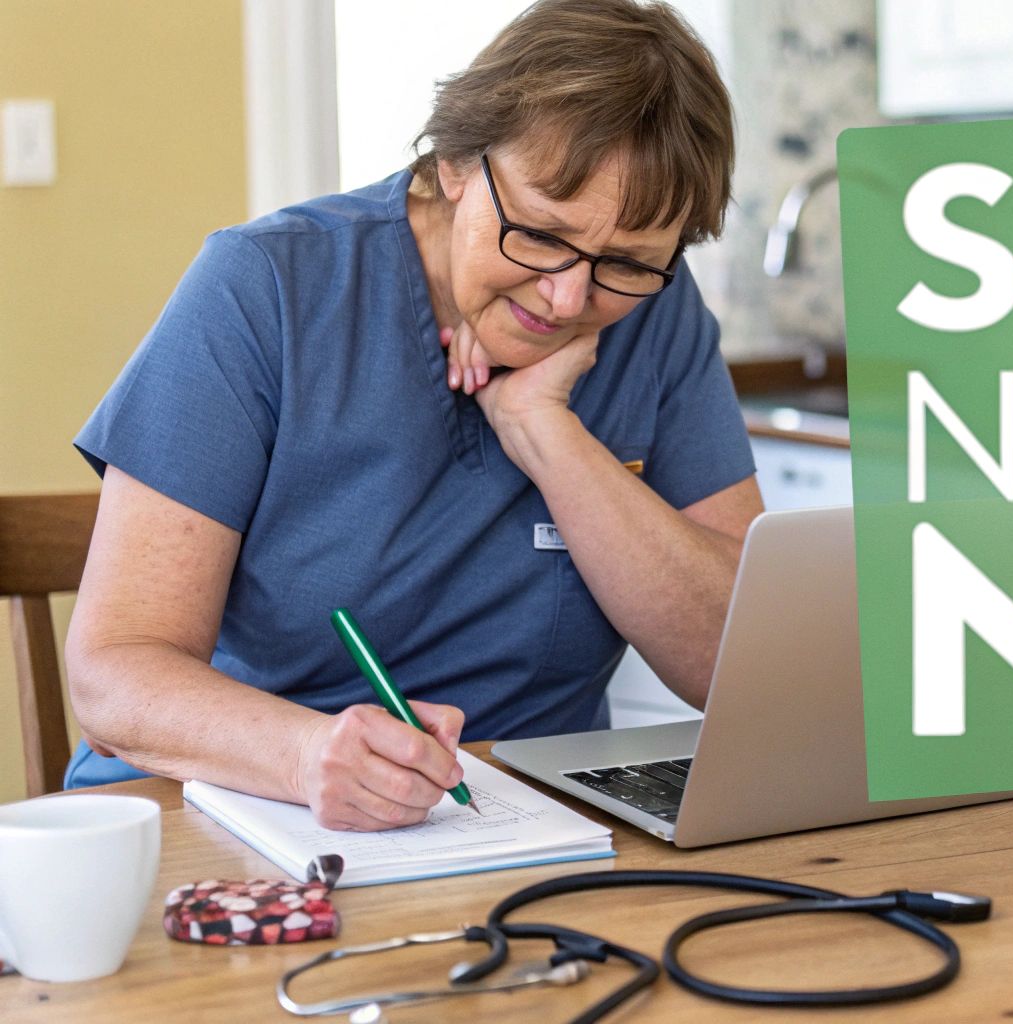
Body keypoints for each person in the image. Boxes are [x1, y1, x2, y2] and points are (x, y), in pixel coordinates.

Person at [62, 0, 762, 832]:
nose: (570, 296)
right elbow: (114, 672)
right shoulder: (267, 289)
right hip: (234, 810)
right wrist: (306, 754)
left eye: (626, 263)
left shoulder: (656, 318)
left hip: (527, 832)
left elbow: (742, 667)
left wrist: (548, 431)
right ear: (458, 163)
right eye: (539, 235)